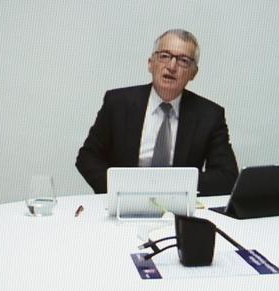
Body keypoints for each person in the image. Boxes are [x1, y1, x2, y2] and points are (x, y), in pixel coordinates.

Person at [76, 29, 238, 196]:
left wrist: (171, 186)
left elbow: (227, 176)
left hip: (179, 208)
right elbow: (87, 157)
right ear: (150, 63)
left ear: (193, 73)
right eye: (165, 56)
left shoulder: (209, 115)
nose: (172, 66)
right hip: (122, 202)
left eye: (183, 60)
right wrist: (120, 188)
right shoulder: (117, 103)